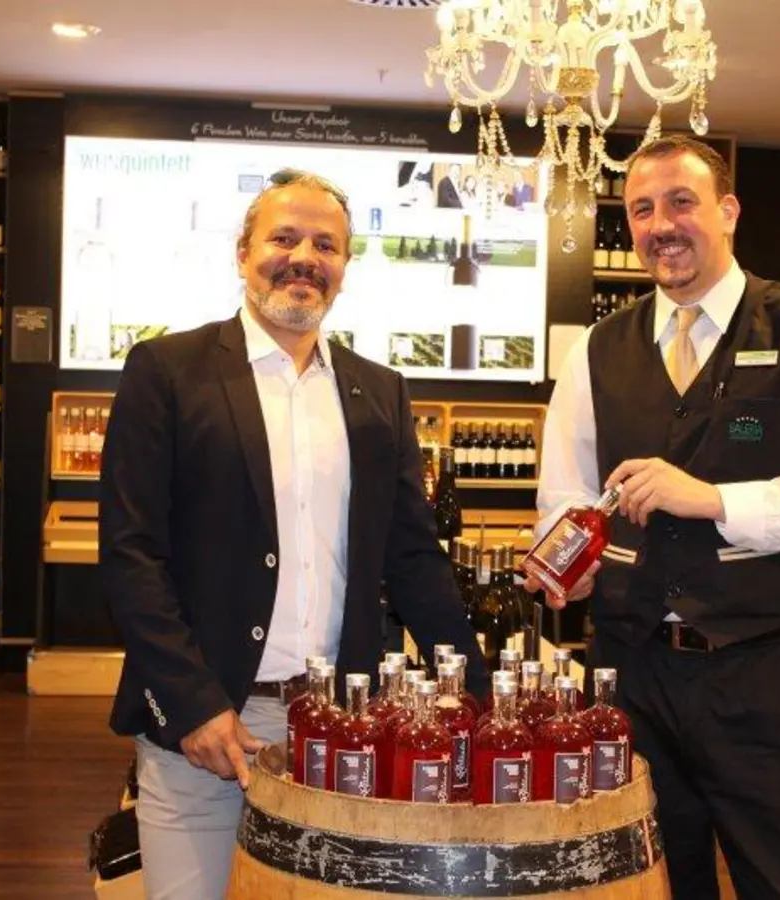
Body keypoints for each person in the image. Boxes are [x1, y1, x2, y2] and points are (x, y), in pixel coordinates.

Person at [101, 168, 490, 900]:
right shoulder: (168, 370)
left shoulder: (380, 391)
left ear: (344, 267)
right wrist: (193, 704)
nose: (304, 256)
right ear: (243, 252)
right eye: (284, 237)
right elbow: (131, 554)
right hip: (211, 723)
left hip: (346, 727)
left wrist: (477, 692)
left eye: (326, 244)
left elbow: (412, 558)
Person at [528, 135, 780, 900]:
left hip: (761, 680)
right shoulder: (598, 349)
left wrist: (718, 501)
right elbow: (562, 500)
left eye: (681, 202)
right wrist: (563, 559)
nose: (661, 223)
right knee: (651, 885)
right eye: (641, 209)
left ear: (727, 211)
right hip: (630, 677)